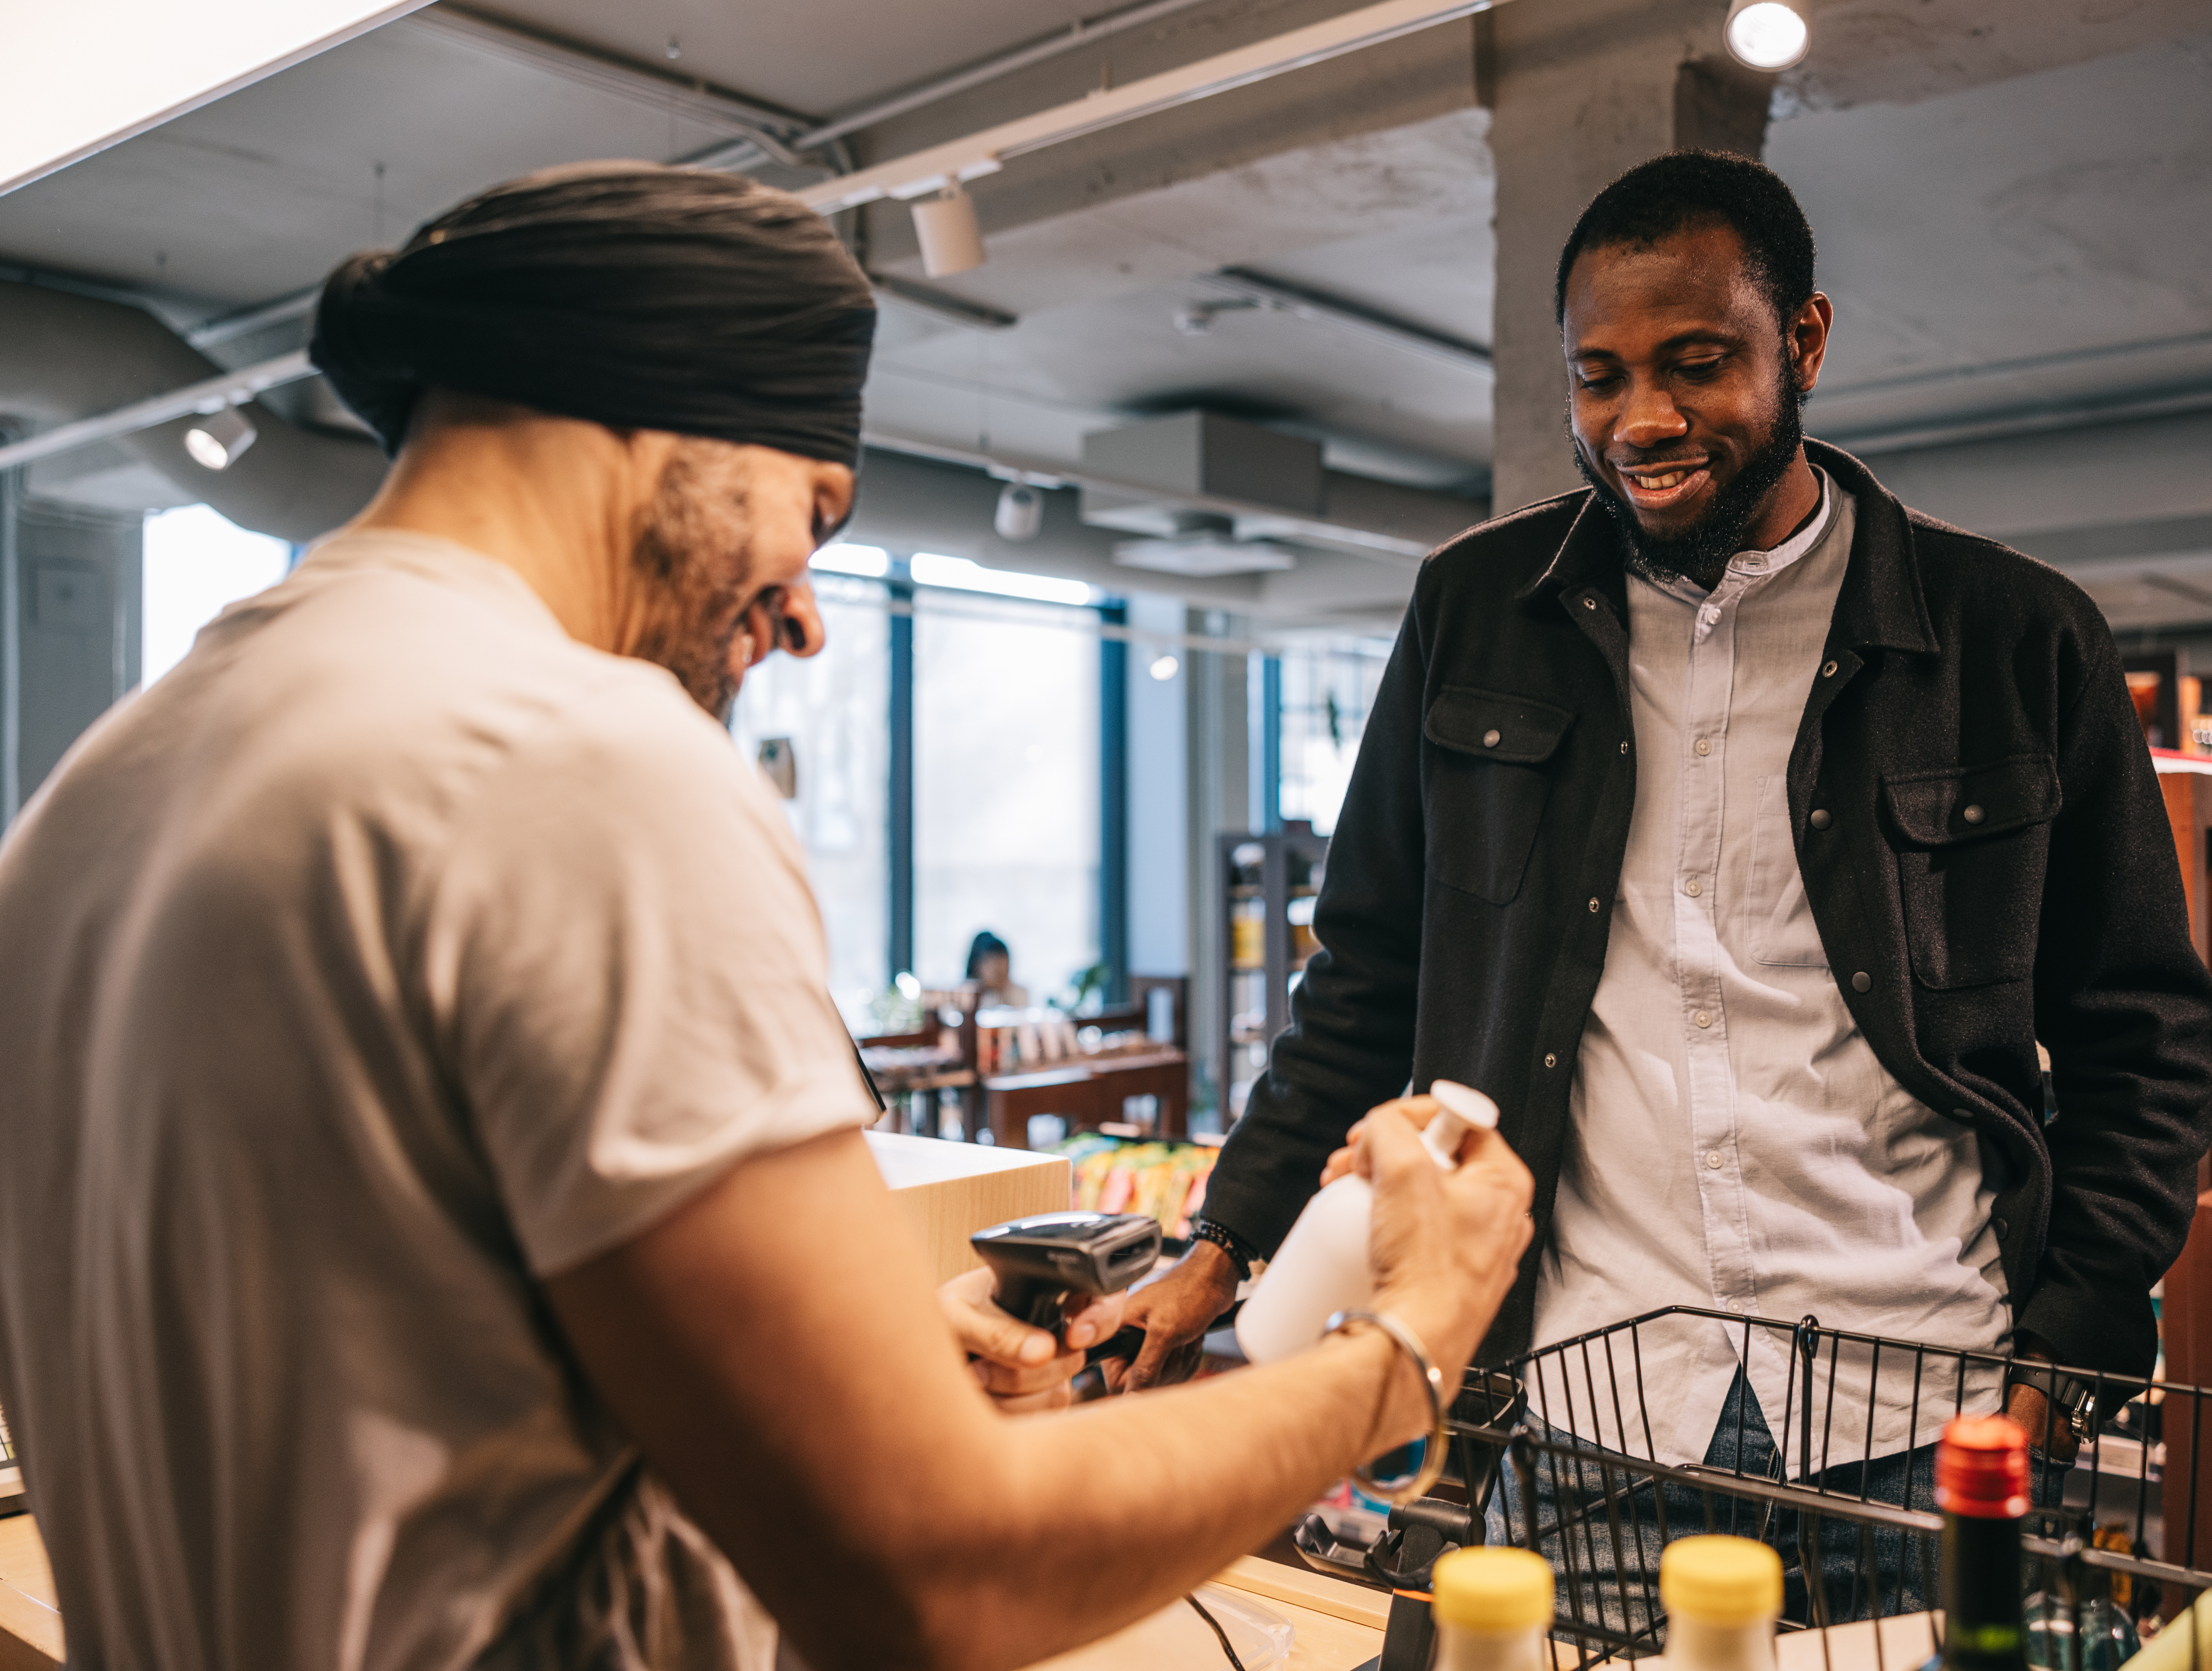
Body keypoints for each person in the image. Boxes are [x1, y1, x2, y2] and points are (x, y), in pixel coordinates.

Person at [0, 162, 1534, 1671]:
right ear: (657, 413)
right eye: (813, 509)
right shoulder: (578, 756)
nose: (804, 610)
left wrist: (825, 1394)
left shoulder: (100, 791)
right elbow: (936, 1578)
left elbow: (367, 1390)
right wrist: (1400, 1347)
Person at [1119, 151, 2212, 1541]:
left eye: (1695, 364)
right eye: (1598, 376)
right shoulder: (1475, 613)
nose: (1641, 419)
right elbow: (1367, 974)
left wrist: (2058, 1359)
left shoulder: (2014, 638)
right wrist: (1221, 1245)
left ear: (1801, 340)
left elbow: (2145, 1036)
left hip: (1918, 1396)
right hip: (1588, 1388)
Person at [967, 928, 1031, 1010]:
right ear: (978, 967)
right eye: (997, 972)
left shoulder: (1019, 994)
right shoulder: (969, 996)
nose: (1003, 978)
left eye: (1007, 971)